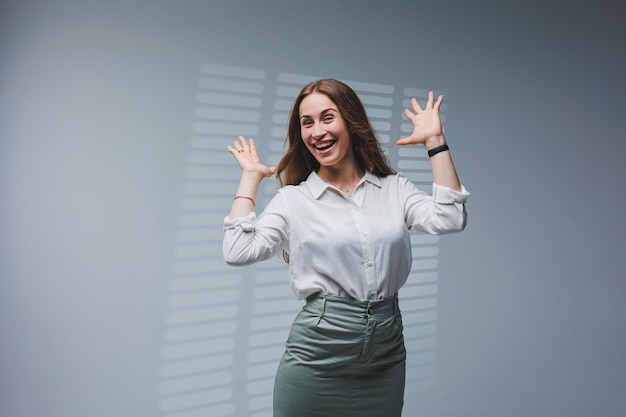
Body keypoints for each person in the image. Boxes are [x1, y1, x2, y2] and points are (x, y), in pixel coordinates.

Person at [223, 79, 469, 417]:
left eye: (327, 117)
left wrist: (435, 142)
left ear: (351, 122)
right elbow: (237, 250)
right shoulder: (294, 200)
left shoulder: (394, 188)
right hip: (317, 354)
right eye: (306, 123)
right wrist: (250, 178)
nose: (317, 131)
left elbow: (450, 218)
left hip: (385, 354)